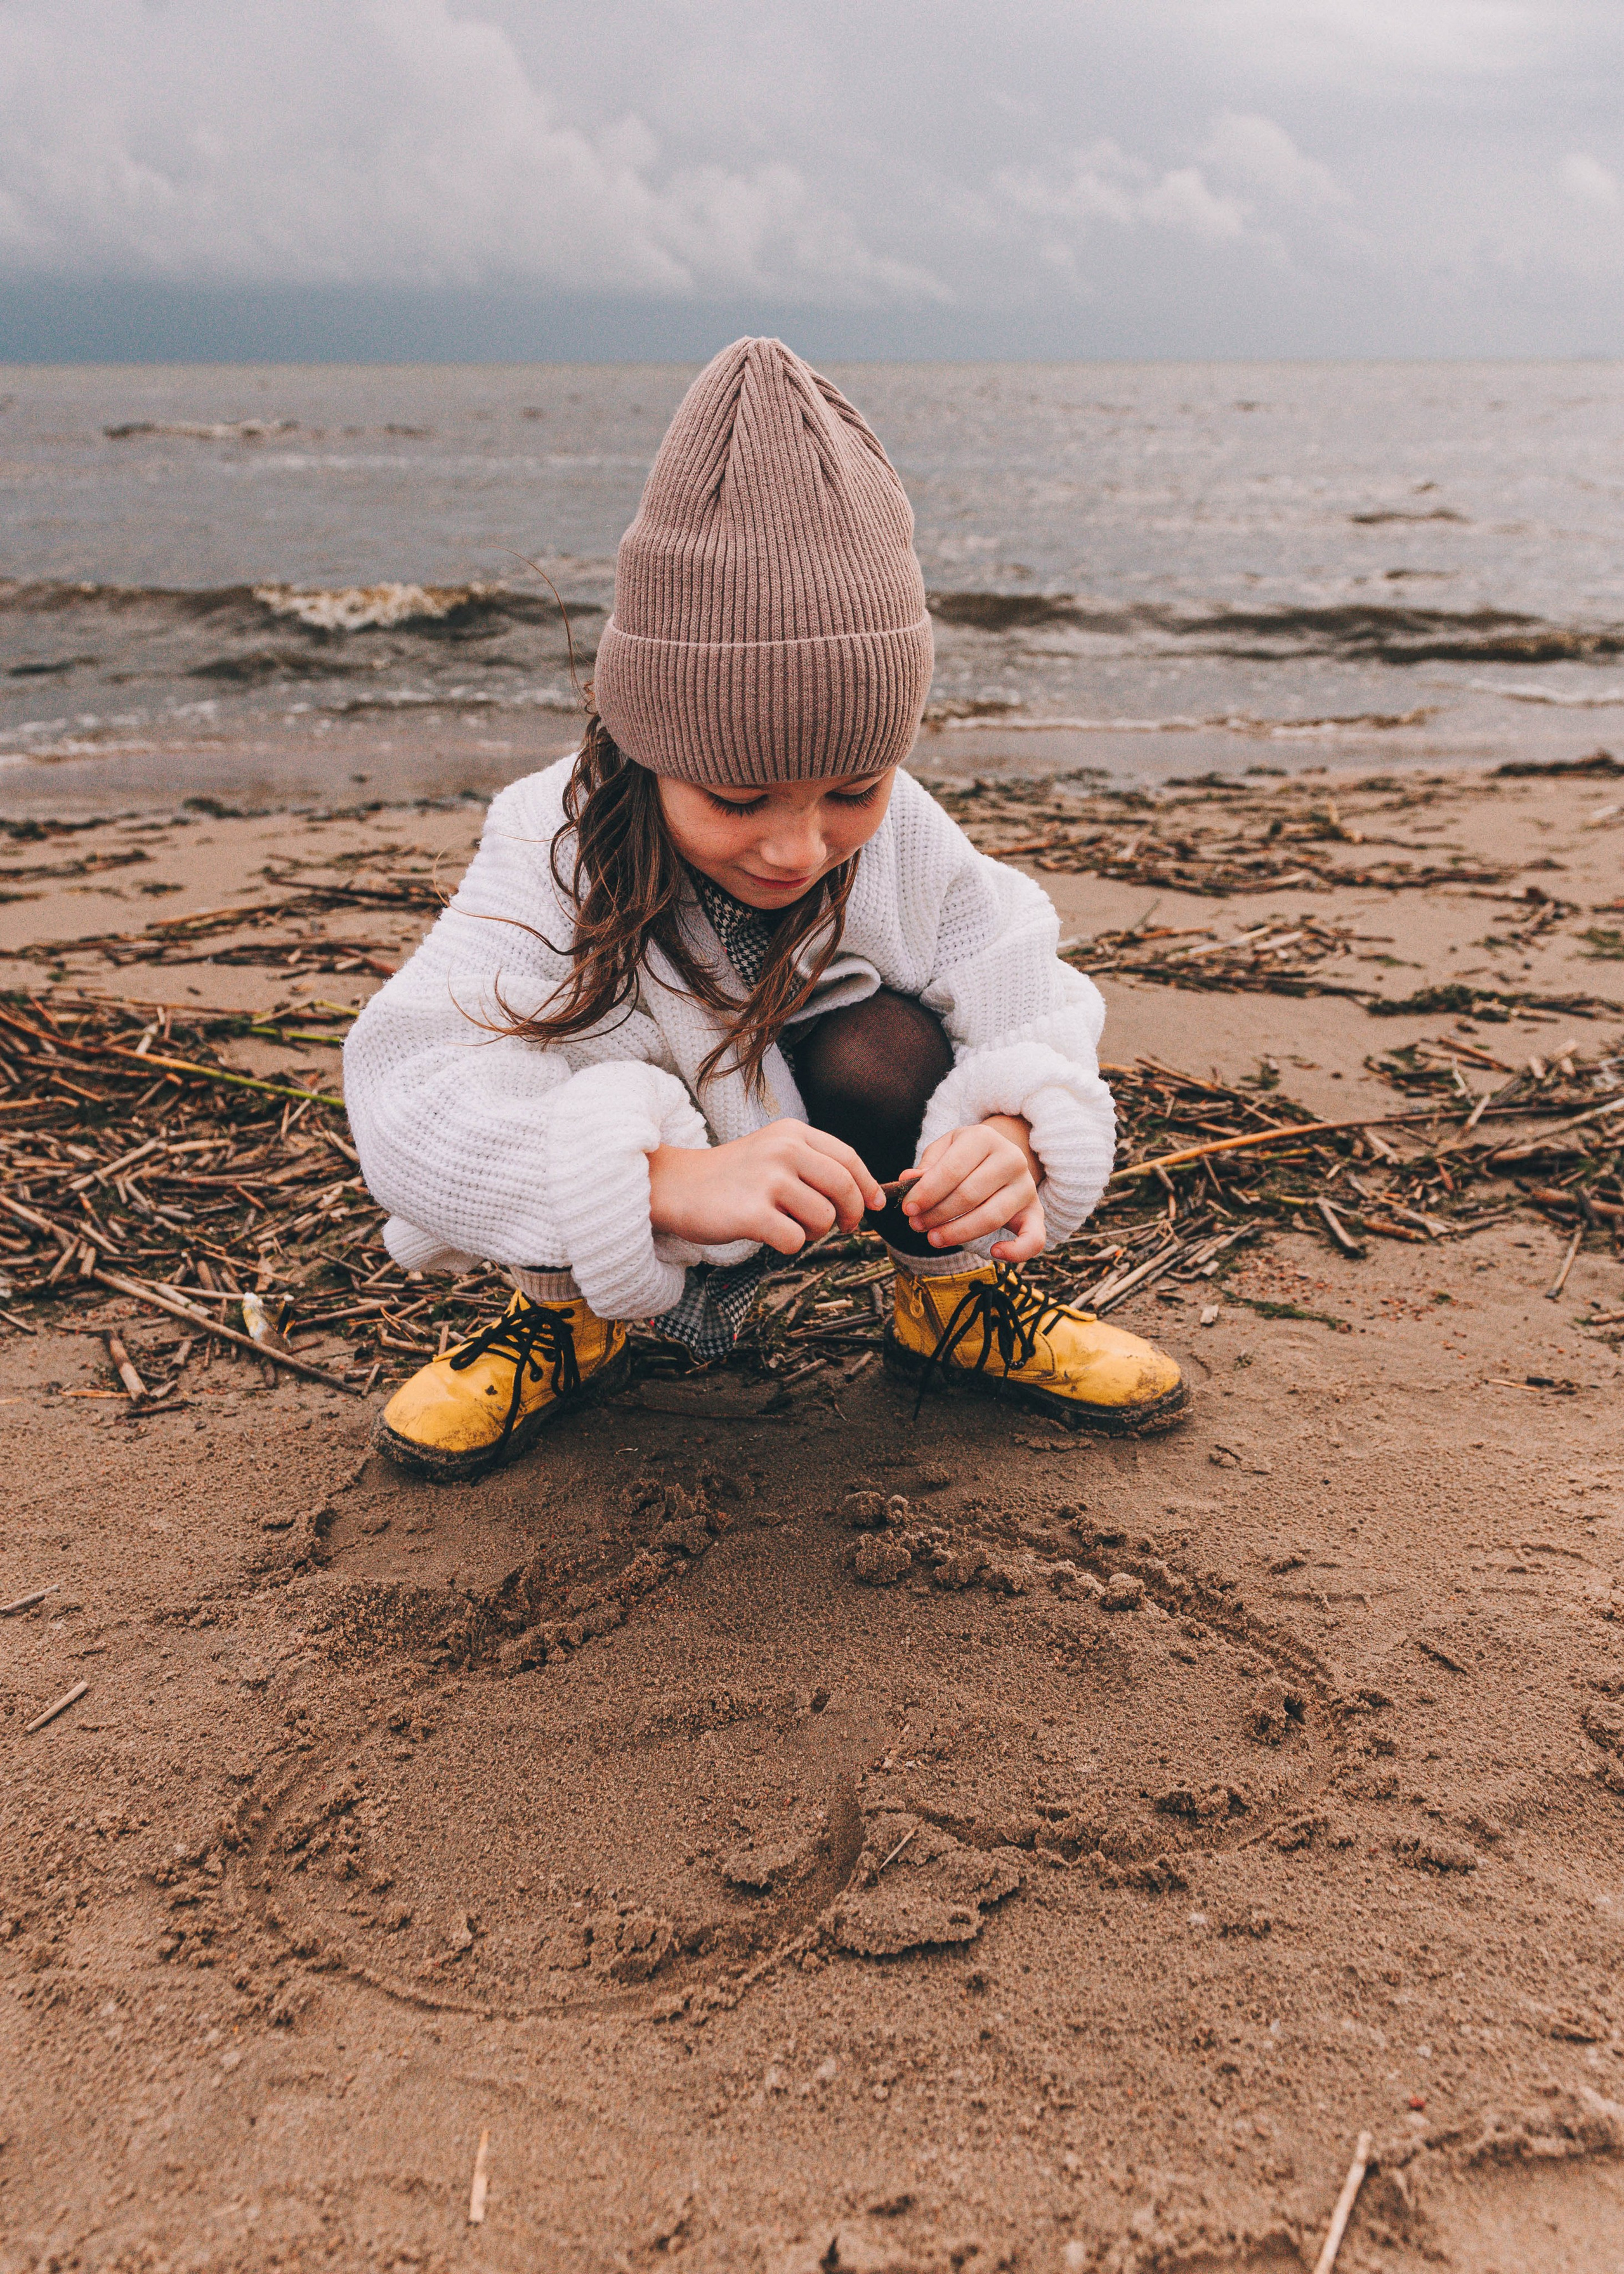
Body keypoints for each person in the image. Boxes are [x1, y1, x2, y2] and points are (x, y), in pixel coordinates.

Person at [343, 338, 1188, 1482]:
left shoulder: (904, 834)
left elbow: (1022, 981)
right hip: (637, 1185)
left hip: (815, 1142)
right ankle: (567, 1319)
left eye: (853, 788)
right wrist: (652, 1184)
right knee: (544, 1059)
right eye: (739, 796)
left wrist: (1020, 1132)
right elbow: (408, 1094)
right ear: (648, 744)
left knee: (893, 1045)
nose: (799, 848)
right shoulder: (551, 842)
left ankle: (953, 1301)